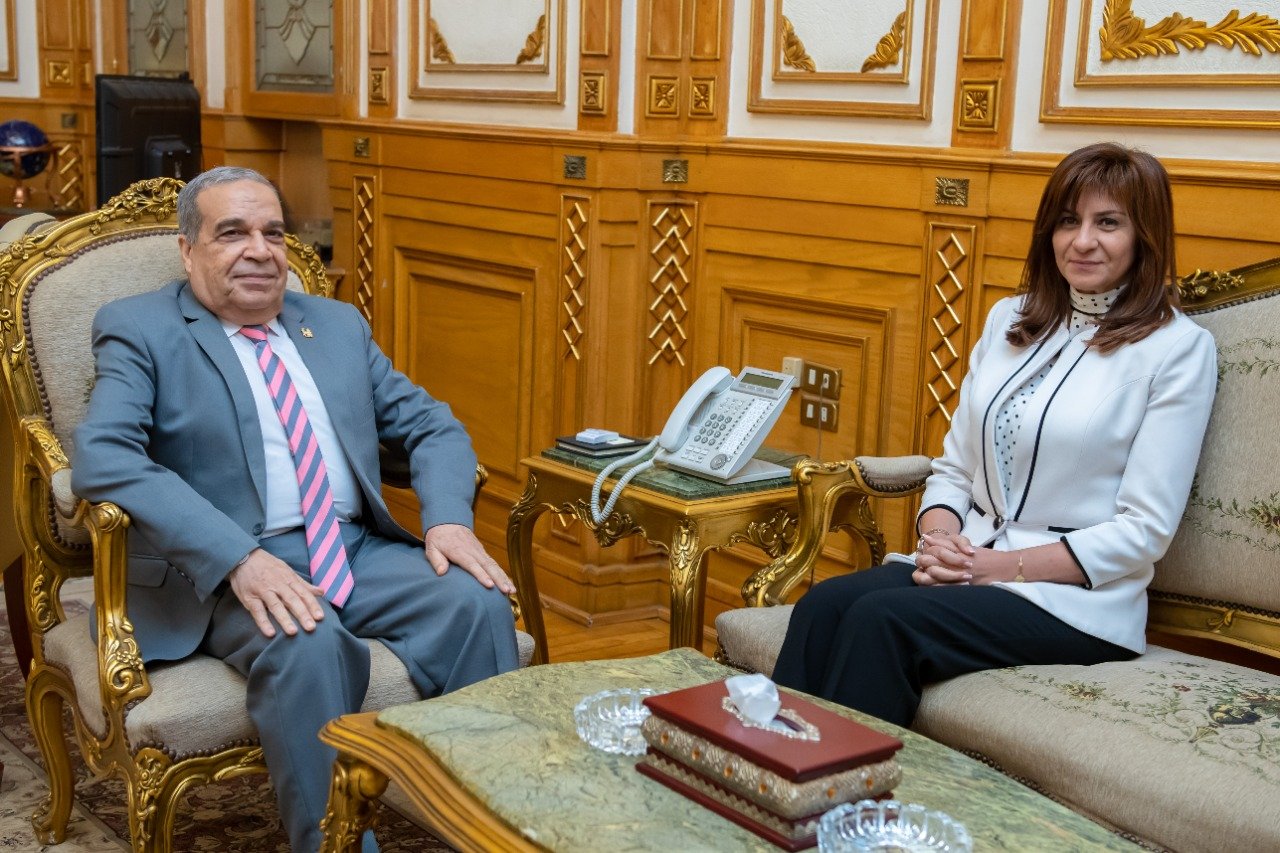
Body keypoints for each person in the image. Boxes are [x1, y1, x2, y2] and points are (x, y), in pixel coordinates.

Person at [72, 166, 520, 851]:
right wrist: (238, 558)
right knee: (307, 642)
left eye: (273, 233)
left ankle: (486, 825)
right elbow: (104, 456)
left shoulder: (335, 325)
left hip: (352, 547)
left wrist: (448, 519)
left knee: (476, 602)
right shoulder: (140, 327)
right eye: (232, 233)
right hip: (222, 570)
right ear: (188, 250)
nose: (260, 250)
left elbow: (433, 425)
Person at [771, 142, 1217, 728]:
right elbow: (955, 470)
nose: (1082, 241)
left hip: (1075, 602)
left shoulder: (1178, 349)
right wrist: (940, 539)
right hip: (971, 561)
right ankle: (771, 770)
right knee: (824, 604)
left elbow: (1144, 530)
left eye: (1108, 223)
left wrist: (995, 568)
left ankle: (844, 785)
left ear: (1144, 236)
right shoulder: (1009, 318)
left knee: (882, 620)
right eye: (1068, 221)